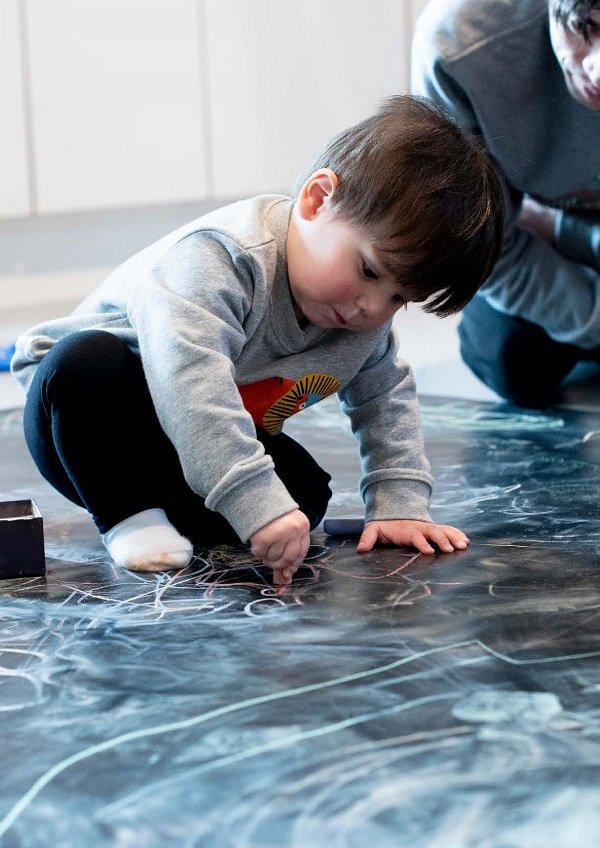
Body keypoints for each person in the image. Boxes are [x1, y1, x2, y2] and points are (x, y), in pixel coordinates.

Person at [11, 95, 504, 586]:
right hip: (84, 426)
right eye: (369, 270)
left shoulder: (362, 319)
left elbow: (387, 399)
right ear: (317, 200)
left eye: (399, 298)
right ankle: (128, 518)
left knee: (305, 495)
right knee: (85, 362)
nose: (372, 309)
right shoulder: (219, 260)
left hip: (184, 441)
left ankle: (171, 514)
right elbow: (190, 387)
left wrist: (400, 504)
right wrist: (256, 505)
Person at [412, 0, 600, 408]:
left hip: (557, 227)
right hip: (537, 238)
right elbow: (481, 246)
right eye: (586, 27)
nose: (597, 70)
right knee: (509, 358)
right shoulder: (459, 44)